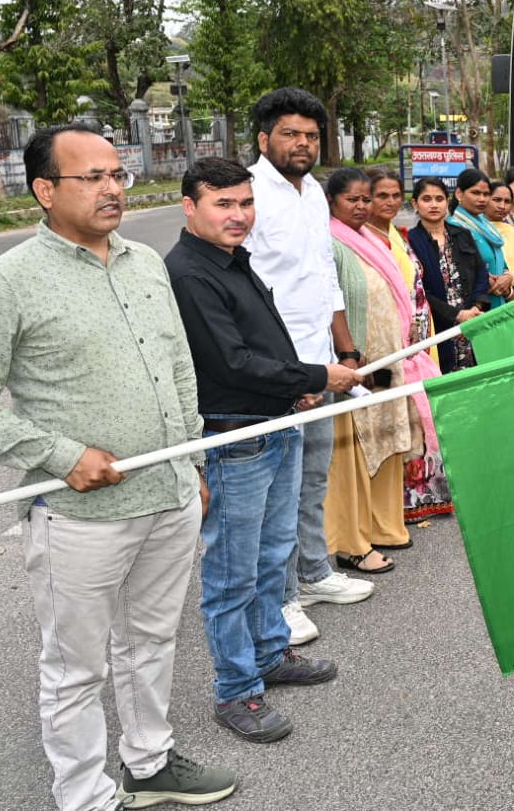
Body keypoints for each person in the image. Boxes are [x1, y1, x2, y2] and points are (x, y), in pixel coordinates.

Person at [0, 125, 237, 811]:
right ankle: (83, 794)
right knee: (75, 667)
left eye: (117, 175)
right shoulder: (8, 281)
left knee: (153, 641)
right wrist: (62, 457)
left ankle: (149, 763)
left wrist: (190, 462)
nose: (111, 189)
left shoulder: (144, 264)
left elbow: (178, 371)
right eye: (91, 177)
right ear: (45, 190)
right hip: (81, 516)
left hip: (167, 494)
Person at [166, 158, 358, 744]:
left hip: (275, 421)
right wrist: (315, 376)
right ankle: (236, 689)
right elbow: (231, 362)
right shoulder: (189, 272)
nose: (239, 215)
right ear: (189, 207)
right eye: (223, 204)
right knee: (232, 573)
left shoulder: (234, 259)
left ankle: (271, 655)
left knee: (274, 556)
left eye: (245, 204)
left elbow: (260, 345)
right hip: (235, 437)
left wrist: (296, 388)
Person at [245, 88, 374, 645]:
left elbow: (325, 278)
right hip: (276, 369)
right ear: (263, 139)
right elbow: (246, 291)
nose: (302, 144)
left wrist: (344, 351)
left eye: (311, 136)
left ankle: (314, 572)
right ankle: (281, 598)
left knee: (313, 475)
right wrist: (287, 370)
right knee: (278, 486)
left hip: (321, 362)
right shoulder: (246, 194)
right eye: (290, 134)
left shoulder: (314, 194)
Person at [324, 168, 442, 571]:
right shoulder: (330, 240)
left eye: (364, 199)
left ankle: (383, 525)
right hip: (355, 361)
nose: (362, 206)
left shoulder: (372, 238)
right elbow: (331, 302)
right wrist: (347, 353)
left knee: (389, 438)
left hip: (389, 355)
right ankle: (351, 541)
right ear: (332, 202)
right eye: (354, 200)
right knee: (354, 452)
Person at [406, 177, 486, 374]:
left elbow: (481, 273)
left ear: (447, 201)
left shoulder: (462, 234)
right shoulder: (409, 240)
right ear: (415, 204)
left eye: (439, 199)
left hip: (471, 323)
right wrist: (456, 315)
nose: (434, 205)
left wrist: (476, 307)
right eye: (426, 199)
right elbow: (420, 290)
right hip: (438, 328)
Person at [448, 168, 514, 309]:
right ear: (459, 193)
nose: (482, 199)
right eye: (476, 193)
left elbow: (501, 264)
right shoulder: (454, 228)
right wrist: (487, 280)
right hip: (474, 306)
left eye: (486, 194)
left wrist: (508, 277)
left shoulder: (487, 226)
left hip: (499, 298)